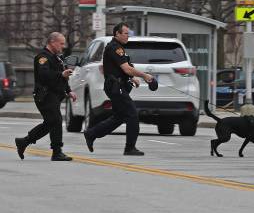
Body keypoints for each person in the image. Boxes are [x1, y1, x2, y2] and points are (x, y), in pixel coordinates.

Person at [83, 23, 153, 155]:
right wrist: (144, 75)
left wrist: (131, 78)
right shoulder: (115, 47)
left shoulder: (118, 47)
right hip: (116, 87)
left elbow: (119, 69)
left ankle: (91, 134)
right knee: (132, 114)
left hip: (117, 86)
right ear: (117, 34)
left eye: (128, 33)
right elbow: (126, 68)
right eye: (125, 33)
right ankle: (129, 148)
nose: (128, 36)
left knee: (119, 117)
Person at [15, 32, 77, 161]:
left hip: (54, 95)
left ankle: (24, 142)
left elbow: (62, 76)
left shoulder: (56, 58)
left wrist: (69, 90)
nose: (63, 46)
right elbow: (45, 75)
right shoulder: (42, 57)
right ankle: (57, 152)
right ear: (52, 42)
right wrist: (61, 75)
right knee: (56, 121)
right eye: (61, 43)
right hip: (45, 95)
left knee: (50, 123)